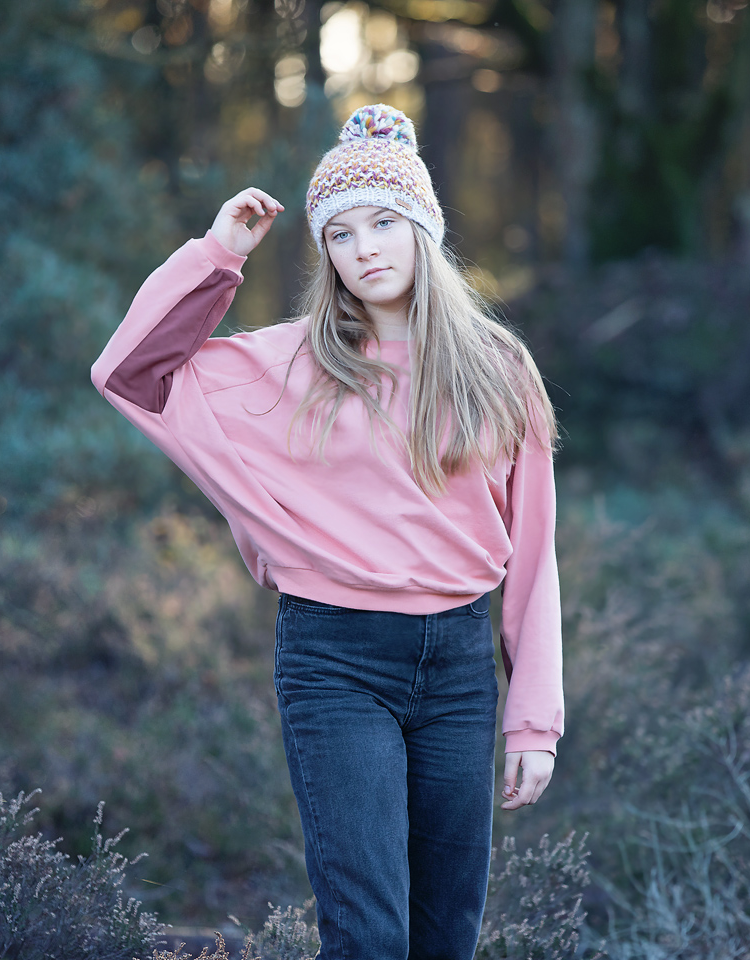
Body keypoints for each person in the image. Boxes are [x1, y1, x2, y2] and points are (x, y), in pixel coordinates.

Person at [92, 103, 563, 960]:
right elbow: (129, 372)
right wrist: (219, 253)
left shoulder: (499, 368)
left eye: (385, 222)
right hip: (337, 661)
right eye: (340, 234)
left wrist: (533, 722)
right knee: (369, 935)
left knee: (445, 936)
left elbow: (533, 554)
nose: (365, 249)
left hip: (460, 670)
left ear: (424, 229)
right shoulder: (290, 363)